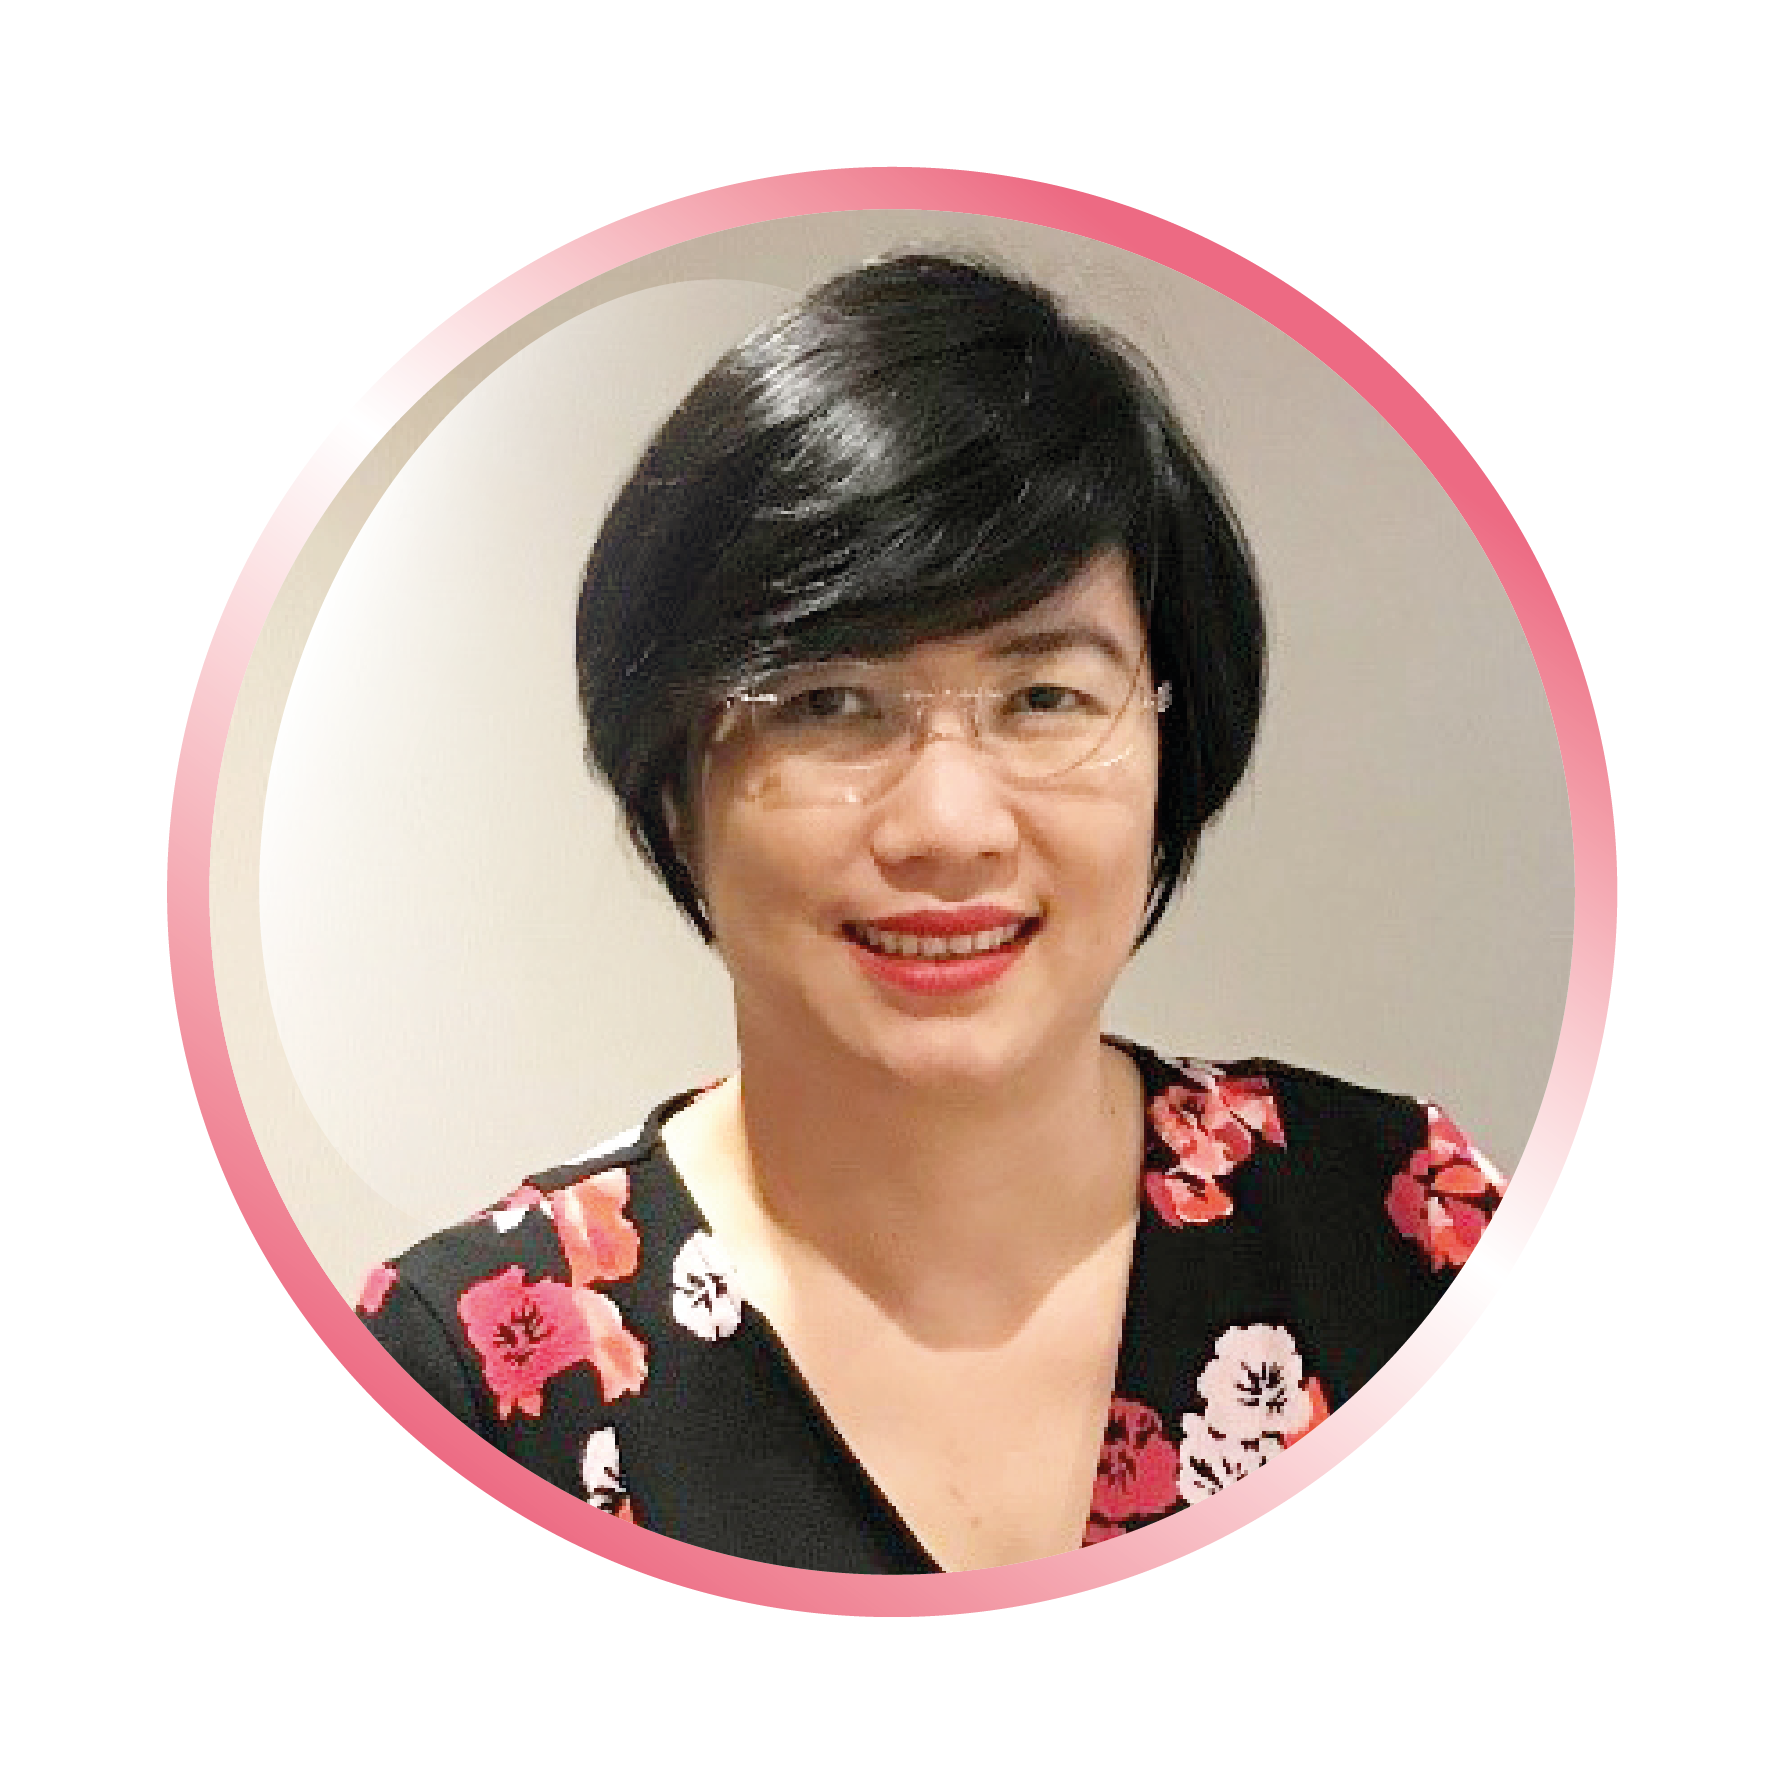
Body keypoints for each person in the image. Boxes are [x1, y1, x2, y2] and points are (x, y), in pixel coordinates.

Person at [356, 253, 1505, 1573]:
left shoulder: (1407, 1236)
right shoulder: (473, 1384)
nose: (951, 826)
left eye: (1045, 698)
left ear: (1170, 749)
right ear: (674, 782)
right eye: (829, 704)